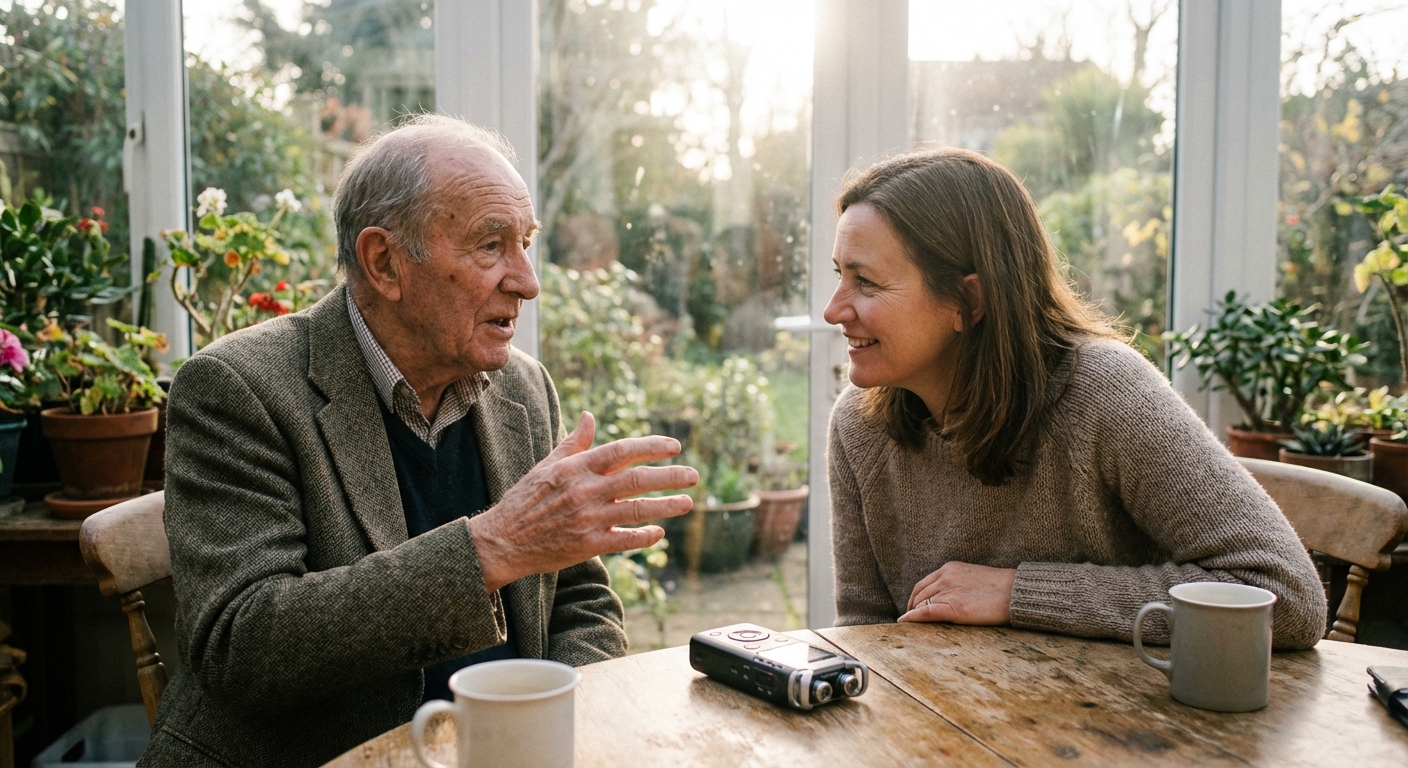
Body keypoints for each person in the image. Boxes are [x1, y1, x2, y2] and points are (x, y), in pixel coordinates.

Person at [138, 115, 698, 768]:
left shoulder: (522, 389)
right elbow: (242, 644)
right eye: (491, 246)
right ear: (385, 262)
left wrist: (564, 725)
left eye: (526, 243)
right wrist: (490, 549)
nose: (527, 280)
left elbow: (579, 599)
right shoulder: (239, 388)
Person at [824, 148, 1326, 650]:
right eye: (839, 275)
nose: (833, 310)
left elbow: (1286, 597)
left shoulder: (1106, 392)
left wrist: (1019, 593)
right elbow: (866, 635)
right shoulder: (858, 425)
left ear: (969, 301)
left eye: (865, 281)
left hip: (1124, 720)